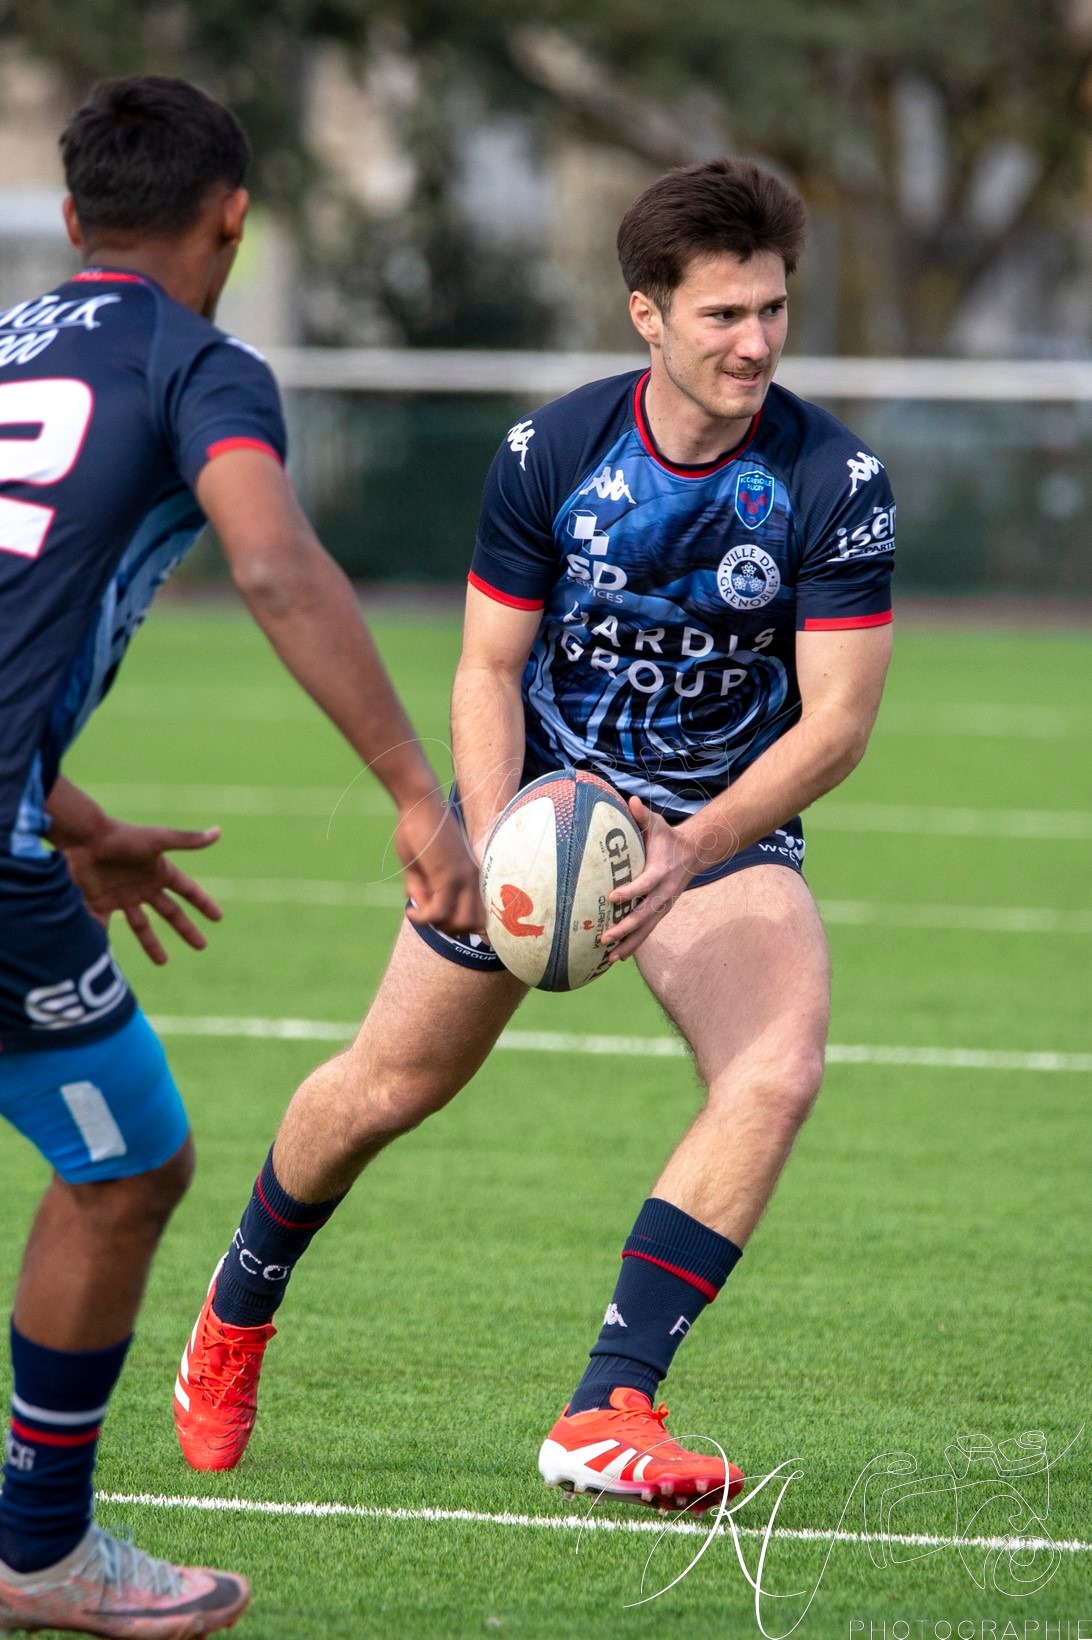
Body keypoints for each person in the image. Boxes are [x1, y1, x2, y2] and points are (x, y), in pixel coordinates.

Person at [175, 158, 895, 1511]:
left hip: (717, 828)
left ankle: (608, 1406)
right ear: (646, 314)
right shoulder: (551, 452)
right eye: (722, 315)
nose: (755, 342)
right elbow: (485, 670)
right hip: (542, 801)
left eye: (772, 311)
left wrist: (691, 842)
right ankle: (238, 1303)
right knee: (386, 1092)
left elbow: (839, 722)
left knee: (778, 1067)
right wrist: (502, 835)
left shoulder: (832, 478)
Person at [0, 75, 479, 1637]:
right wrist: (419, 791)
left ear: (71, 222)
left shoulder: (8, 343)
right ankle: (38, 1550)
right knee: (127, 1164)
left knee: (126, 1155)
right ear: (235, 215)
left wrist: (70, 815)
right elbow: (271, 559)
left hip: (21, 820)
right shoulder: (195, 360)